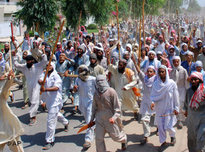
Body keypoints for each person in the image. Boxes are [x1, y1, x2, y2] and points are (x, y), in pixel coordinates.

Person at [90, 75, 127, 152]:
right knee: (99, 138)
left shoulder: (111, 91)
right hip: (99, 118)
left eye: (101, 80)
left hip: (110, 118)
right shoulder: (95, 93)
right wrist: (91, 119)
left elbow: (117, 108)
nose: (100, 83)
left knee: (116, 137)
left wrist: (113, 118)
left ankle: (124, 140)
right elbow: (94, 107)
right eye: (98, 81)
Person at [39, 63, 69, 150]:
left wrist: (46, 89)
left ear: (53, 66)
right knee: (56, 115)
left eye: (50, 65)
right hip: (48, 100)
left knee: (50, 120)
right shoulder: (44, 75)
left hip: (55, 101)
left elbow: (56, 87)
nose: (48, 67)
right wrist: (41, 82)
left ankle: (50, 141)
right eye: (47, 65)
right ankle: (66, 122)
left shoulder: (56, 76)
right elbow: (40, 80)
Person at [150, 65, 179, 151]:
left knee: (169, 126)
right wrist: (152, 103)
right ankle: (163, 142)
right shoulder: (155, 84)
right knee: (161, 127)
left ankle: (172, 136)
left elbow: (176, 96)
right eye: (160, 72)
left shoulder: (171, 83)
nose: (161, 73)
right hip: (159, 108)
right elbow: (153, 95)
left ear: (166, 72)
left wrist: (176, 108)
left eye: (163, 71)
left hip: (169, 108)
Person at [14, 52, 47, 125]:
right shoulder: (24, 67)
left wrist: (43, 53)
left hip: (37, 85)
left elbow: (44, 61)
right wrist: (15, 56)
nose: (27, 62)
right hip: (29, 86)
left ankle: (32, 117)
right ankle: (42, 104)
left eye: (29, 60)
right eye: (26, 61)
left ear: (32, 60)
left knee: (34, 101)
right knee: (32, 100)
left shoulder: (38, 66)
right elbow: (16, 65)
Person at [107, 50, 139, 119]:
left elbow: (135, 81)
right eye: (119, 65)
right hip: (119, 92)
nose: (119, 66)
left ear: (125, 65)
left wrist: (127, 87)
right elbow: (109, 66)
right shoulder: (116, 70)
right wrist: (107, 56)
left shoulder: (129, 72)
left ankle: (135, 112)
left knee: (132, 105)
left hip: (128, 92)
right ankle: (119, 120)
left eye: (121, 65)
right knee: (118, 106)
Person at [133, 57, 157, 144]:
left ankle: (158, 129)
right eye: (148, 71)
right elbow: (139, 71)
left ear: (154, 73)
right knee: (144, 119)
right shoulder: (145, 78)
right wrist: (135, 62)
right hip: (145, 101)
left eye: (151, 71)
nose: (149, 73)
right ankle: (146, 136)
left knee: (157, 118)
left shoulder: (156, 79)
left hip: (155, 101)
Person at [0, 70, 24, 152]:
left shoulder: (1, 96)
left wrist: (9, 80)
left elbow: (5, 90)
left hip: (9, 130)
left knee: (17, 149)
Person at [73, 65, 96, 149]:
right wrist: (75, 88)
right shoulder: (78, 79)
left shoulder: (93, 79)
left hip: (91, 102)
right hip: (82, 103)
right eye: (79, 71)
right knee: (88, 119)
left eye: (81, 70)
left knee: (89, 120)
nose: (80, 72)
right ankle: (95, 128)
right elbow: (75, 90)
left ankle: (88, 140)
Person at [184, 72, 205, 152]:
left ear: (200, 80)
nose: (193, 81)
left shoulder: (204, 91)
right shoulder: (188, 91)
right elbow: (186, 104)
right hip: (191, 120)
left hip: (202, 121)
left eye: (195, 79)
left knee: (201, 140)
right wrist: (185, 111)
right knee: (191, 140)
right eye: (192, 79)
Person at [170, 56, 189, 129]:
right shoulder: (171, 71)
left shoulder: (183, 70)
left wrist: (187, 90)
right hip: (174, 90)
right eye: (174, 62)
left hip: (181, 90)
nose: (176, 63)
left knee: (181, 104)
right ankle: (174, 118)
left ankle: (180, 120)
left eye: (177, 61)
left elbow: (186, 81)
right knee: (174, 104)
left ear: (179, 61)